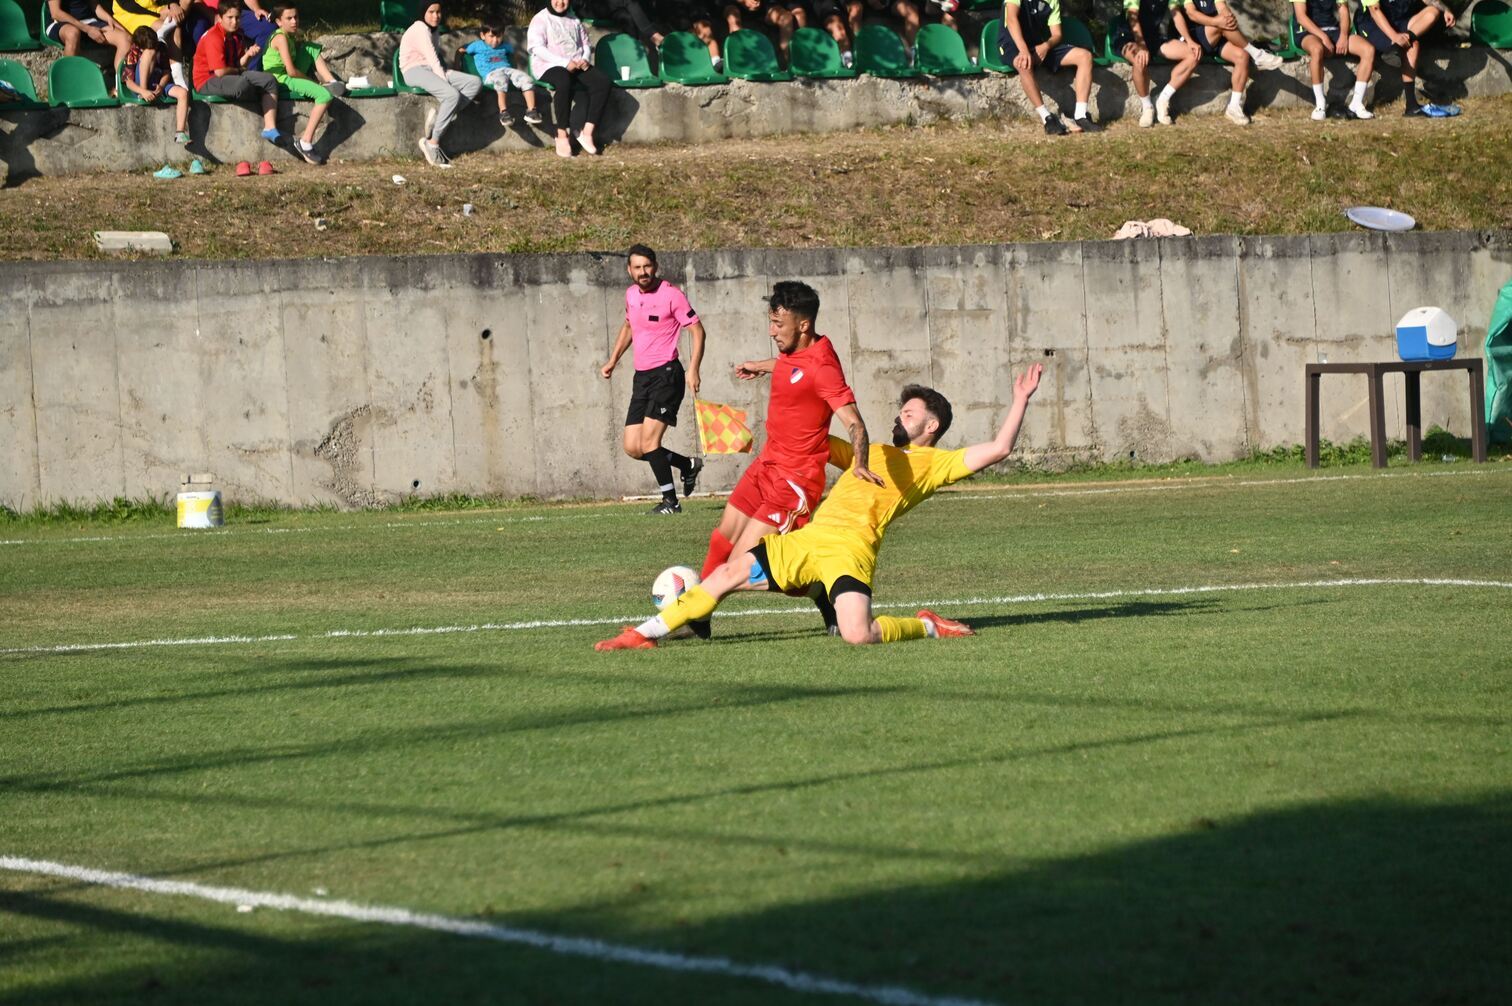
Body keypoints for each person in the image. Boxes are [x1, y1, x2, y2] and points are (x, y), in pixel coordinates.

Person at [595, 365, 1045, 650]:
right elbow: (810, 439)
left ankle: (926, 625)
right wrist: (782, 383)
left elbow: (1000, 448)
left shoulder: (936, 465)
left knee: (859, 635)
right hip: (809, 541)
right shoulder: (870, 453)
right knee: (725, 574)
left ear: (932, 425)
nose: (899, 417)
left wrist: (1021, 399)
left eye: (908, 414)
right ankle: (641, 634)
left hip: (852, 552)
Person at [693, 280, 881, 638]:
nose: (771, 331)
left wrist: (859, 463)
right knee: (722, 538)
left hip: (794, 480)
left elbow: (854, 421)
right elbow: (791, 366)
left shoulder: (824, 367)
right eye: (771, 322)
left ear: (804, 324)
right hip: (766, 464)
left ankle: (820, 592)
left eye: (778, 324)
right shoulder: (794, 352)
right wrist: (763, 366)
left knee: (743, 566)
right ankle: (697, 621)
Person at [601, 245, 707, 515]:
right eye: (637, 267)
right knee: (633, 447)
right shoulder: (631, 295)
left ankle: (671, 502)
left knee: (650, 443)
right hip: (642, 377)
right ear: (629, 270)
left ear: (655, 266)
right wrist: (613, 360)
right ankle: (686, 465)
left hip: (667, 376)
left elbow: (697, 331)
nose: (643, 272)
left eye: (647, 266)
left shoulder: (671, 295)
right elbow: (628, 326)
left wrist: (693, 369)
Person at [998, 0, 1102, 135]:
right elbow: (1011, 19)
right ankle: (1047, 118)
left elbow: (1057, 34)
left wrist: (1046, 46)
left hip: (1037, 46)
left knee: (1085, 56)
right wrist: (1024, 51)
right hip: (1011, 44)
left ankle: (1081, 116)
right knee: (1023, 64)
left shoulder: (1053, 2)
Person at [192, 0, 284, 146]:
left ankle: (270, 127)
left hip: (230, 75)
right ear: (220, 18)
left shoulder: (237, 34)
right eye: (230, 18)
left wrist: (248, 56)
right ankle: (259, 99)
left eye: (237, 17)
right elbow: (221, 71)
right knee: (243, 84)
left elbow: (238, 64)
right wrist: (241, 70)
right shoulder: (213, 37)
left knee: (269, 80)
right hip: (207, 80)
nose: (234, 22)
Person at [262, 4, 346, 164]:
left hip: (287, 74)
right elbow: (292, 72)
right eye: (289, 18)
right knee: (324, 95)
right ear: (279, 22)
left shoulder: (290, 36)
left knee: (310, 48)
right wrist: (313, 83)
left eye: (296, 17)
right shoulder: (280, 38)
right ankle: (305, 142)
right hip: (280, 79)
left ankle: (332, 82)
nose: (294, 21)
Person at [1179, 0, 1284, 126]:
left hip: (1217, 34)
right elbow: (1192, 14)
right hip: (1195, 38)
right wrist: (1217, 21)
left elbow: (1222, 7)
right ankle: (1257, 54)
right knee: (1221, 25)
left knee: (1242, 56)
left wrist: (1227, 17)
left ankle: (1234, 107)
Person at [528, 0, 612, 158]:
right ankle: (561, 134)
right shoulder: (540, 19)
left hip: (576, 64)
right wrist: (564, 63)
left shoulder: (574, 19)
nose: (560, 2)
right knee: (563, 81)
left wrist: (585, 58)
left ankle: (586, 132)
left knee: (602, 82)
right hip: (549, 65)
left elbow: (585, 44)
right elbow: (537, 49)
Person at [401, 2, 481, 168]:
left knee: (474, 83)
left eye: (438, 12)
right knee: (452, 94)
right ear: (423, 12)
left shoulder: (434, 30)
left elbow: (434, 61)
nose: (436, 16)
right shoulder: (420, 29)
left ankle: (439, 119)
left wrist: (444, 76)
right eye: (431, 12)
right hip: (414, 71)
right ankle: (432, 143)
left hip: (430, 69)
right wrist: (445, 82)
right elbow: (432, 58)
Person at [1358, 0, 1456, 117]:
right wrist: (1394, 36)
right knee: (1411, 45)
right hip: (1372, 24)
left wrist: (1446, 10)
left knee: (1432, 12)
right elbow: (1375, 10)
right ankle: (1396, 46)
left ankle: (1411, 106)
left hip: (1399, 21)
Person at [1111, 0, 1200, 127]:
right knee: (1139, 59)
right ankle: (1147, 107)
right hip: (1128, 37)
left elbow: (1177, 15)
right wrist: (1141, 45)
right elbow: (1132, 16)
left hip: (1153, 38)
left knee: (1193, 55)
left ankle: (1163, 99)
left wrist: (1190, 40)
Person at [1292, 0, 1374, 120]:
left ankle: (1356, 104)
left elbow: (1343, 10)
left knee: (1368, 50)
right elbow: (1301, 17)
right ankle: (1320, 104)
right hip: (1307, 32)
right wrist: (1323, 37)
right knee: (1317, 49)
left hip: (1333, 31)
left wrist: (1343, 36)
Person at [464, 17, 543, 128]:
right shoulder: (477, 45)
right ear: (482, 35)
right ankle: (503, 112)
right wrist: (459, 61)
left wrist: (515, 67)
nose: (495, 40)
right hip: (490, 74)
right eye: (491, 36)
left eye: (499, 36)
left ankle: (531, 111)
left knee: (527, 79)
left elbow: (513, 55)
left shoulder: (505, 46)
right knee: (501, 80)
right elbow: (463, 50)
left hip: (507, 70)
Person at [123, 24, 190, 142]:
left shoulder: (161, 47)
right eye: (150, 47)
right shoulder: (134, 53)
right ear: (140, 47)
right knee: (149, 54)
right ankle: (145, 93)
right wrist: (143, 91)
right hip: (139, 88)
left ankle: (180, 132)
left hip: (157, 82)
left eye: (155, 46)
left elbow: (166, 72)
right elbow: (128, 81)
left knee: (183, 93)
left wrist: (162, 85)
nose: (155, 49)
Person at [46, 0, 132, 68]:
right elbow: (56, 13)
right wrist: (88, 30)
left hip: (88, 21)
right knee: (72, 33)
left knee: (125, 39)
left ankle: (119, 86)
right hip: (61, 22)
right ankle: (68, 82)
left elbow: (94, 5)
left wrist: (110, 19)